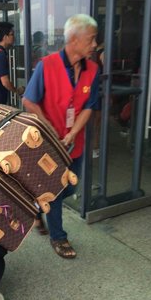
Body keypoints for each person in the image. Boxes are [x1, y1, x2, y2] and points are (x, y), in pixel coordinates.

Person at [22, 14, 100, 259]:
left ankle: (36, 205)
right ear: (74, 40)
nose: (95, 44)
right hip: (48, 144)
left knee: (72, 185)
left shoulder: (93, 69)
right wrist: (49, 128)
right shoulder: (47, 65)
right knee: (55, 190)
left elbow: (89, 105)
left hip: (74, 143)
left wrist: (74, 131)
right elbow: (28, 101)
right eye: (91, 39)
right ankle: (59, 236)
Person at [0, 22, 24, 108]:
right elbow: (5, 82)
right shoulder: (0, 54)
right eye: (12, 34)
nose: (14, 37)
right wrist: (16, 91)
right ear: (5, 37)